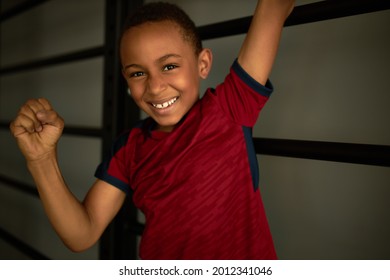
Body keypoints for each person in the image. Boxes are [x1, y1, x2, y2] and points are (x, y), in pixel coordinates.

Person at [10, 0, 295, 259]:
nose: (155, 86)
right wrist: (41, 160)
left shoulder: (229, 108)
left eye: (169, 66)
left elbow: (272, 8)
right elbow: (82, 234)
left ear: (203, 64)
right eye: (138, 73)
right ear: (126, 81)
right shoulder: (130, 149)